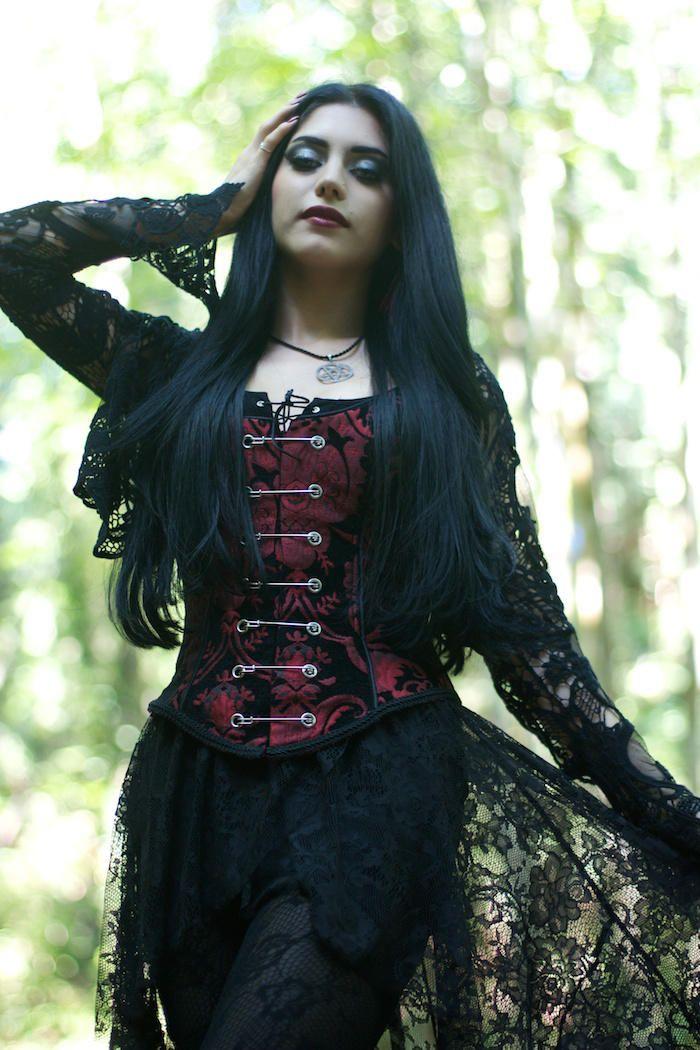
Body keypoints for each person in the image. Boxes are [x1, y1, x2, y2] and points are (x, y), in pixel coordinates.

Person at [1, 80, 699, 1050]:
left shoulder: (440, 398)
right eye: (306, 158)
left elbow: (528, 637)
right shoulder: (177, 373)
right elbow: (15, 253)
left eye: (366, 170)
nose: (330, 181)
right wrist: (211, 207)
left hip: (373, 786)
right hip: (192, 795)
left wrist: (668, 812)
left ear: (401, 216)